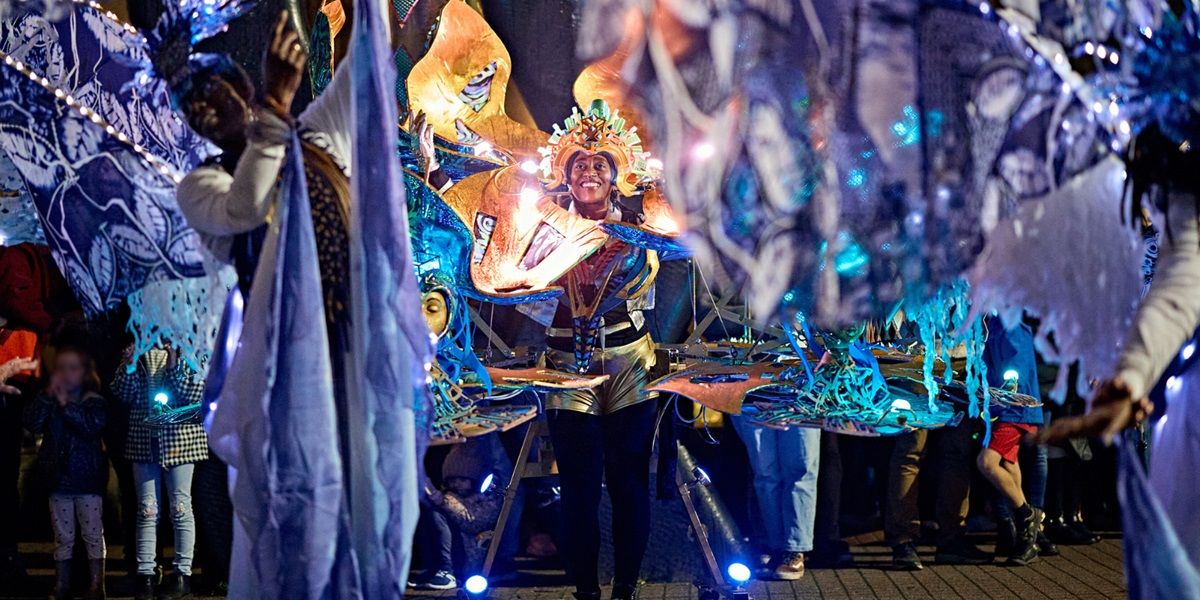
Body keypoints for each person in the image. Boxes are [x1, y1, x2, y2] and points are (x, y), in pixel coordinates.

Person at [112, 343, 207, 600]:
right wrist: (129, 364)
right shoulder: (139, 349)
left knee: (180, 508)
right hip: (144, 441)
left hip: (180, 442)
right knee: (147, 510)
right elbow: (123, 393)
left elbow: (194, 394)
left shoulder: (191, 349)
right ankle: (146, 575)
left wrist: (175, 359)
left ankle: (182, 575)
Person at [23, 348, 107, 600]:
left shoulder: (93, 400)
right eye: (62, 368)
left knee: (92, 534)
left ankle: (96, 585)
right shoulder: (49, 398)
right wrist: (46, 399)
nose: (67, 374)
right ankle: (62, 584)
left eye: (73, 368)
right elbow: (31, 423)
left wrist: (64, 403)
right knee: (63, 537)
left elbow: (91, 425)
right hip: (58, 480)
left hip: (86, 479)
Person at [978, 317, 1044, 566]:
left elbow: (1018, 365)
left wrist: (1008, 386)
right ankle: (1026, 539)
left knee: (987, 462)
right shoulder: (993, 323)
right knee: (1008, 462)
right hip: (1003, 406)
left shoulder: (1010, 322)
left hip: (1014, 408)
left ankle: (1025, 515)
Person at [730, 420, 819, 580]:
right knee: (765, 473)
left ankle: (794, 548)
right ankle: (775, 545)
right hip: (752, 398)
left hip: (802, 398)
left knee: (800, 469)